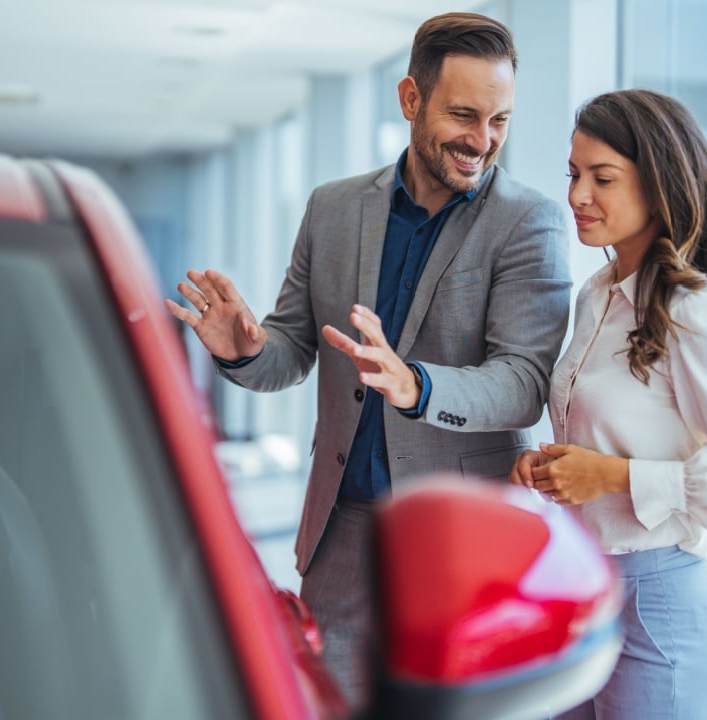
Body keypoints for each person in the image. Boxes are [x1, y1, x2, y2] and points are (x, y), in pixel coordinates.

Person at [165, 12, 571, 708]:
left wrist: (416, 386)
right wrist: (246, 351)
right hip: (344, 534)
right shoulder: (331, 209)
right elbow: (293, 350)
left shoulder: (527, 222)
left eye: (500, 119)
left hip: (462, 540)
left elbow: (524, 382)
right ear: (411, 100)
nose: (483, 141)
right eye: (464, 114)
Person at [510, 89, 707, 720]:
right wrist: (553, 467)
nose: (578, 195)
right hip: (582, 594)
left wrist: (608, 475)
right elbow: (618, 431)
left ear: (660, 185)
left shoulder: (702, 311)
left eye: (602, 178)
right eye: (574, 175)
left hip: (662, 613)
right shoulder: (594, 294)